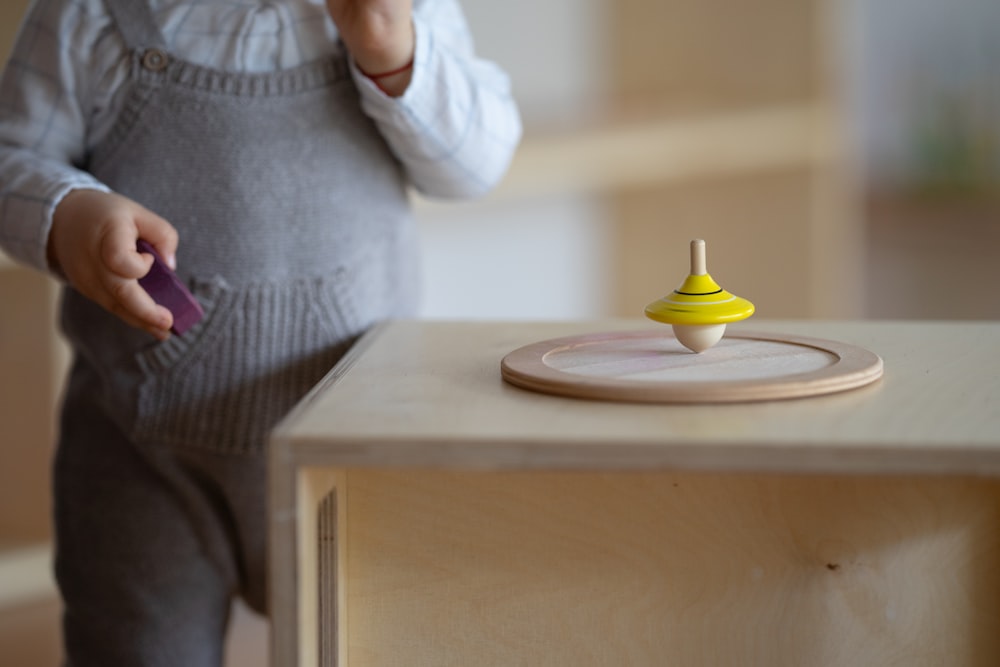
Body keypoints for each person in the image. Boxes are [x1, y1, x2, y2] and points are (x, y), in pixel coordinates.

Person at [0, 0, 521, 664]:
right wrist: (69, 213)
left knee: (366, 643)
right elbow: (11, 153)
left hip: (353, 450)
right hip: (144, 452)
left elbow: (478, 164)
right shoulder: (93, 13)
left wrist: (394, 51)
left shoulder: (401, 9)